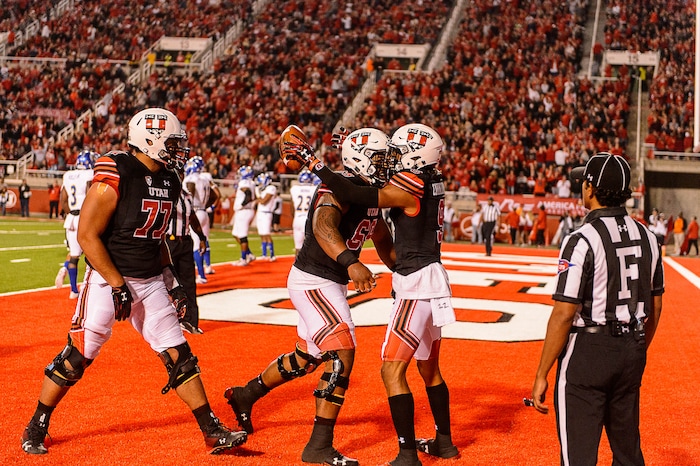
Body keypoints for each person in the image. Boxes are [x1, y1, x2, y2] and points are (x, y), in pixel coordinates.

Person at [20, 108, 247, 456]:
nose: (177, 149)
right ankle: (38, 421)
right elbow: (87, 235)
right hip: (108, 278)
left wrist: (173, 283)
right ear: (151, 140)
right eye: (172, 142)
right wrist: (116, 284)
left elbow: (158, 240)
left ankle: (210, 429)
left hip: (151, 279)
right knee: (77, 356)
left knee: (180, 356)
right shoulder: (117, 169)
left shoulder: (170, 179)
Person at [286, 123, 459, 465]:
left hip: (417, 283)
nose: (391, 160)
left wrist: (315, 163)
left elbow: (356, 195)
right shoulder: (432, 178)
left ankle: (407, 455)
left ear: (414, 155)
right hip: (431, 278)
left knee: (391, 371)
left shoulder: (412, 184)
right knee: (429, 369)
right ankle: (444, 442)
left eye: (396, 152)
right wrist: (354, 144)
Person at [224, 128, 395, 465]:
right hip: (314, 279)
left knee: (307, 357)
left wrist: (402, 270)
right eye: (378, 157)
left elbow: (380, 234)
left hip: (327, 280)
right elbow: (323, 227)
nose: (384, 163)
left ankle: (246, 394)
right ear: (359, 159)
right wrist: (351, 263)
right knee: (342, 349)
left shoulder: (368, 189)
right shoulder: (337, 186)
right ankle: (318, 446)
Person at [531, 152, 664, 465]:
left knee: (579, 456)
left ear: (590, 188)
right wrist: (637, 345)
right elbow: (655, 304)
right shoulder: (649, 237)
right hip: (632, 345)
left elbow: (564, 312)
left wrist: (541, 373)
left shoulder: (581, 239)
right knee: (627, 452)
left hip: (589, 350)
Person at [167, 164, 207, 335]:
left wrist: (202, 236)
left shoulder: (186, 196)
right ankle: (165, 322)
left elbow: (192, 218)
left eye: (180, 173)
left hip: (185, 241)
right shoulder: (166, 194)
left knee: (189, 283)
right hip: (168, 242)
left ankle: (190, 321)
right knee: (166, 285)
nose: (179, 176)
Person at [54, 150, 95, 299]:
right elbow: (92, 196)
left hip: (71, 218)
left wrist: (70, 214)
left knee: (74, 256)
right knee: (93, 253)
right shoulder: (90, 174)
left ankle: (73, 290)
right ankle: (90, 288)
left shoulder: (68, 175)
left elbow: (63, 200)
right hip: (85, 217)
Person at [183, 156, 218, 283]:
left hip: (196, 212)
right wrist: (206, 206)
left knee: (196, 245)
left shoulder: (191, 179)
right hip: (203, 212)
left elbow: (190, 189)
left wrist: (189, 204)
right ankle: (207, 267)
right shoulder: (205, 179)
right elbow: (215, 196)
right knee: (204, 241)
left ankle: (202, 275)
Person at [290, 169, 320, 255]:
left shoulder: (294, 189)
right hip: (308, 219)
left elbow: (292, 207)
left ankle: (296, 268)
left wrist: (294, 217)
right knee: (312, 248)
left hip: (297, 218)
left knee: (298, 247)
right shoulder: (314, 189)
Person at [231, 165, 257, 266]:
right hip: (246, 211)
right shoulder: (251, 183)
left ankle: (243, 259)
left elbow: (248, 194)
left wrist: (241, 205)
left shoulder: (244, 183)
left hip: (244, 211)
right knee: (235, 234)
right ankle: (249, 254)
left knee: (242, 236)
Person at [254, 172, 278, 261]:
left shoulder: (271, 188)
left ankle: (272, 255)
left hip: (266, 213)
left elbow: (263, 201)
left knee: (267, 234)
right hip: (260, 212)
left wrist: (257, 193)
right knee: (262, 234)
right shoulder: (264, 189)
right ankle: (264, 254)